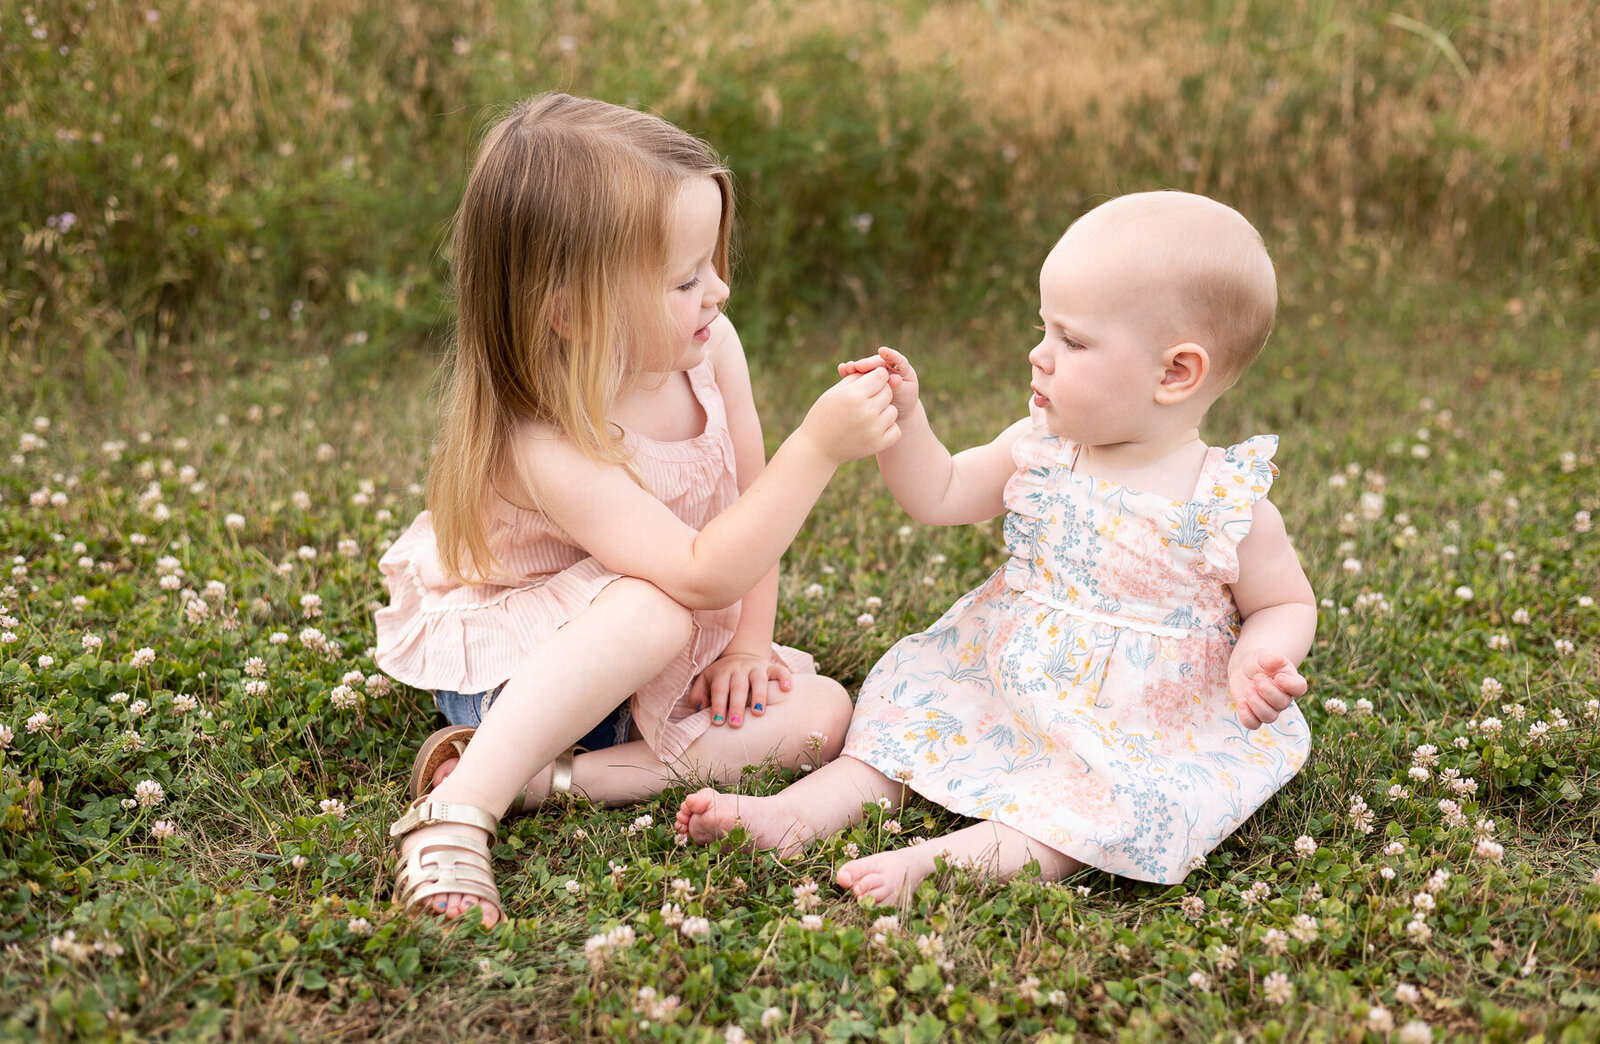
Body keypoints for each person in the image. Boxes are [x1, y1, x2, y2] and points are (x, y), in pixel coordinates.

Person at [676, 191, 1316, 905]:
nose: (1038, 355)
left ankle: (941, 861)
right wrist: (908, 421)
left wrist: (1265, 654)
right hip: (1007, 676)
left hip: (1140, 718)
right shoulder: (1039, 447)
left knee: (1106, 804)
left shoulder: (1226, 503)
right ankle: (793, 813)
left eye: (1071, 341)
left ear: (1175, 373)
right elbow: (940, 492)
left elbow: (1284, 599)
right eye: (1045, 329)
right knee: (905, 731)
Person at [375, 93, 902, 926]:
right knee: (656, 610)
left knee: (821, 715)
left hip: (649, 658)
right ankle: (459, 807)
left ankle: (551, 781)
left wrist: (752, 641)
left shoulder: (711, 350)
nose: (719, 291)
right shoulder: (542, 437)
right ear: (571, 311)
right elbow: (698, 574)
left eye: (714, 265)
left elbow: (750, 502)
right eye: (686, 278)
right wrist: (820, 448)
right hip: (534, 666)